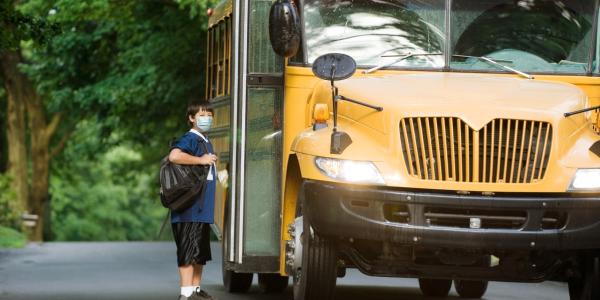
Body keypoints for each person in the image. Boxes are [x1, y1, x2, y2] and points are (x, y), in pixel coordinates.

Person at [168, 101, 218, 300]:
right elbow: (174, 156)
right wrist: (200, 160)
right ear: (191, 118)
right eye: (201, 115)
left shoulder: (205, 140)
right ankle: (185, 293)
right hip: (189, 208)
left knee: (200, 250)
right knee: (188, 249)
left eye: (209, 115)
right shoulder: (190, 138)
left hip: (202, 208)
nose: (206, 119)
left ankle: (196, 288)